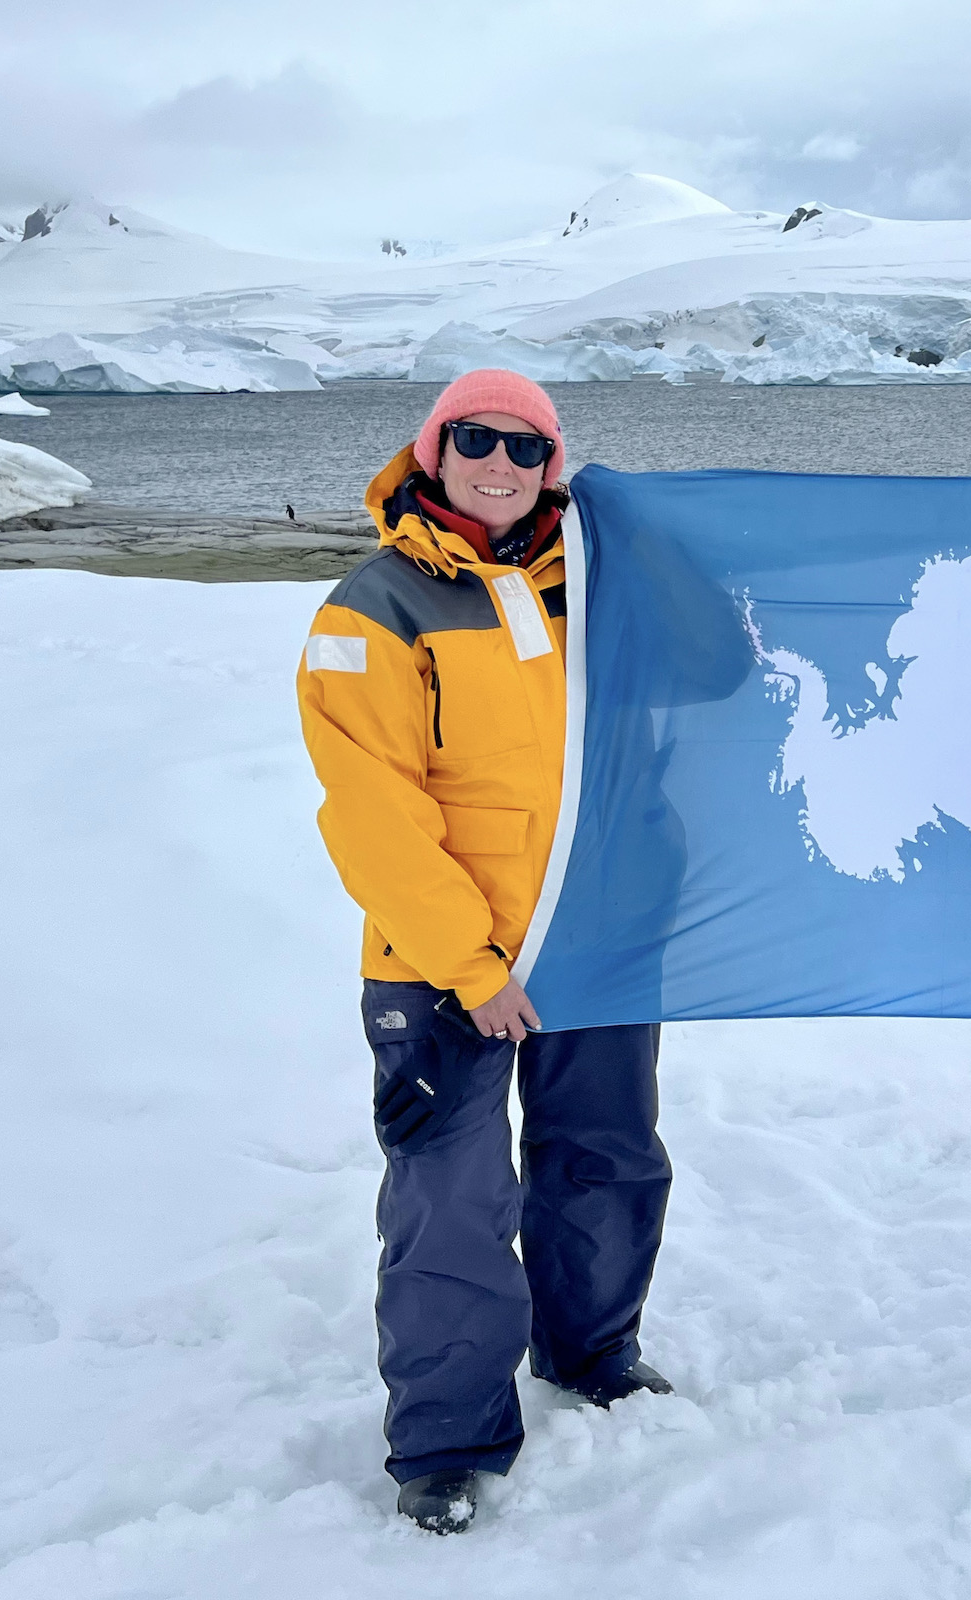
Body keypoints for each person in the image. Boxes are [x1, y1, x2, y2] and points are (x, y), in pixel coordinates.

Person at [296, 370, 675, 1534]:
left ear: (552, 465)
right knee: (452, 1198)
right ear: (435, 449)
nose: (499, 464)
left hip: (591, 943)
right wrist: (471, 962)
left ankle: (593, 1351)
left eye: (526, 446)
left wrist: (662, 544)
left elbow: (711, 674)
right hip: (442, 967)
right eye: (476, 439)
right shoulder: (374, 608)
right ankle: (448, 1440)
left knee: (606, 1157)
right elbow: (374, 813)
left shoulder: (596, 588)